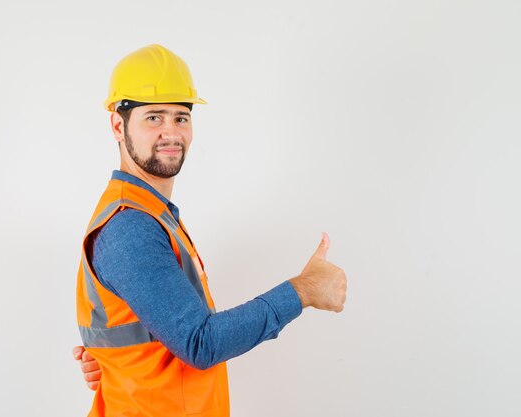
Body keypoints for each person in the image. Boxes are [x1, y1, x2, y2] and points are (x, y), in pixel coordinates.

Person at [74, 44, 348, 417]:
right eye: (154, 117)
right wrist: (302, 290)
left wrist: (107, 359)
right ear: (118, 125)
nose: (171, 132)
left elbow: (144, 333)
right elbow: (200, 343)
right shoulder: (130, 226)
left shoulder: (153, 214)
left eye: (181, 118)